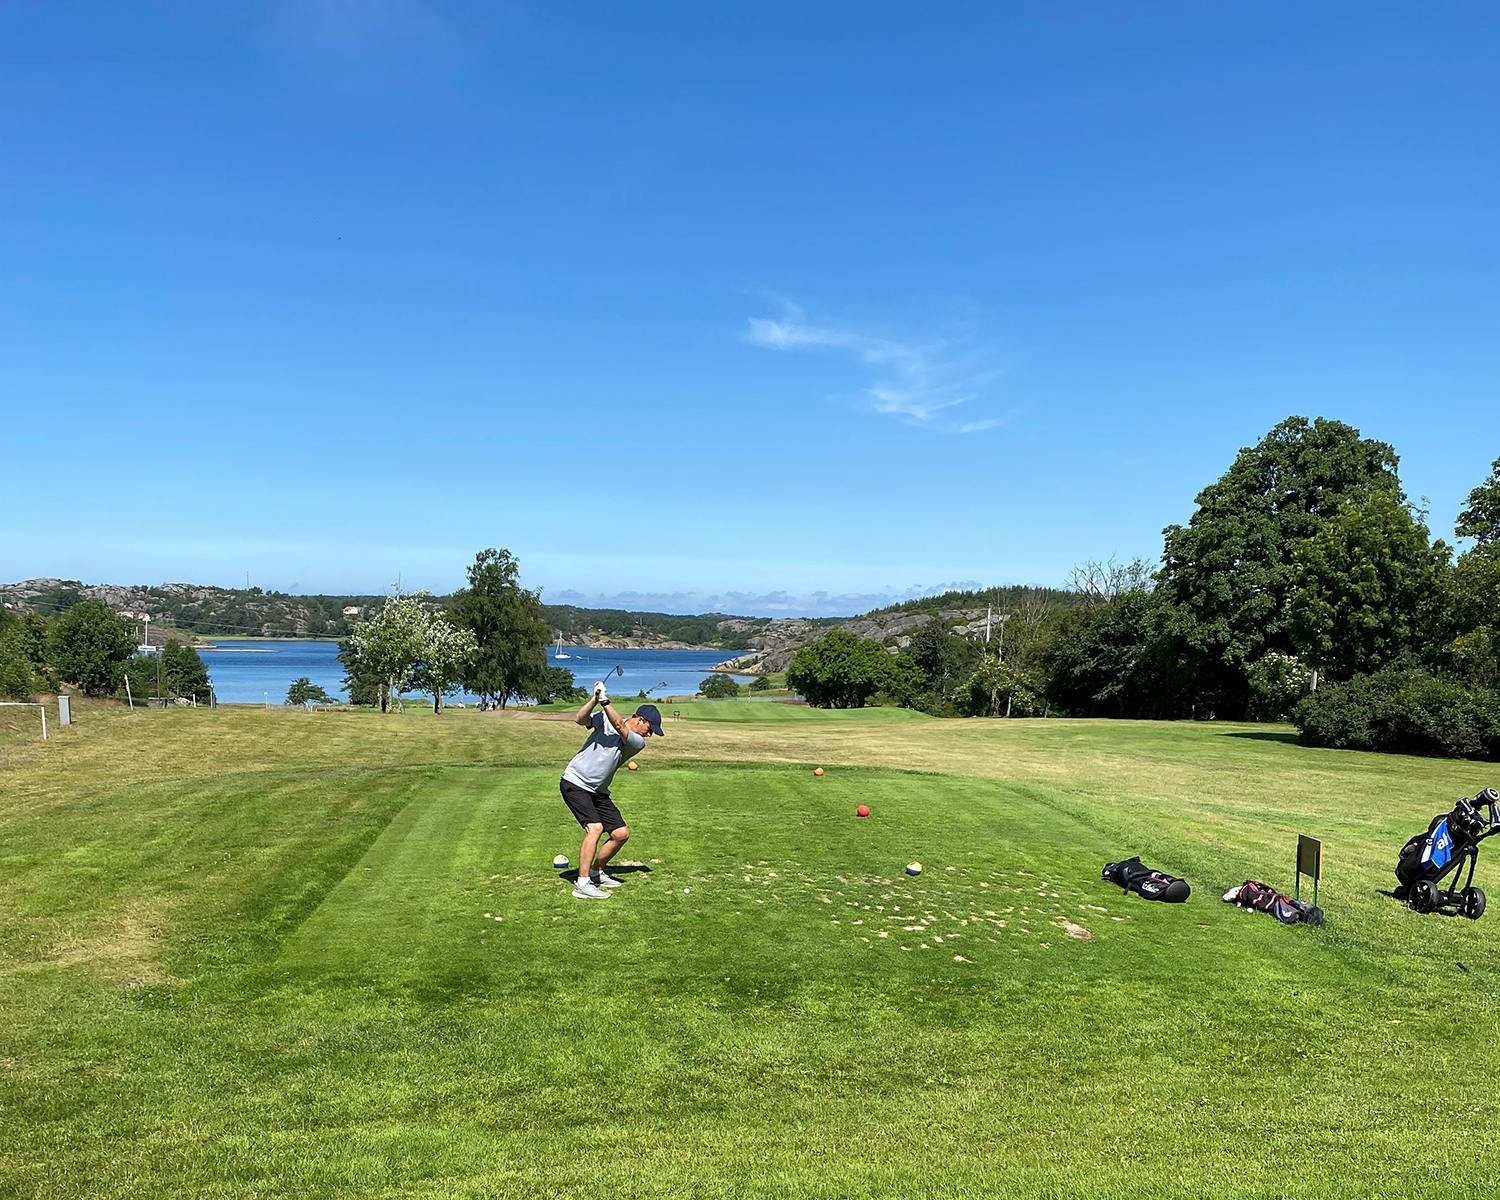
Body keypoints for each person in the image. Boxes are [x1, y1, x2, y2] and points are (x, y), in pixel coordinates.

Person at [559, 679, 663, 899]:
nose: (650, 735)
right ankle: (583, 883)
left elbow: (619, 726)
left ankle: (597, 871)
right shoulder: (606, 718)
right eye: (651, 729)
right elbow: (581, 719)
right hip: (576, 782)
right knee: (595, 829)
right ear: (641, 720)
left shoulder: (636, 742)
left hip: (598, 790)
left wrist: (604, 700)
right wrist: (595, 699)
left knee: (620, 834)